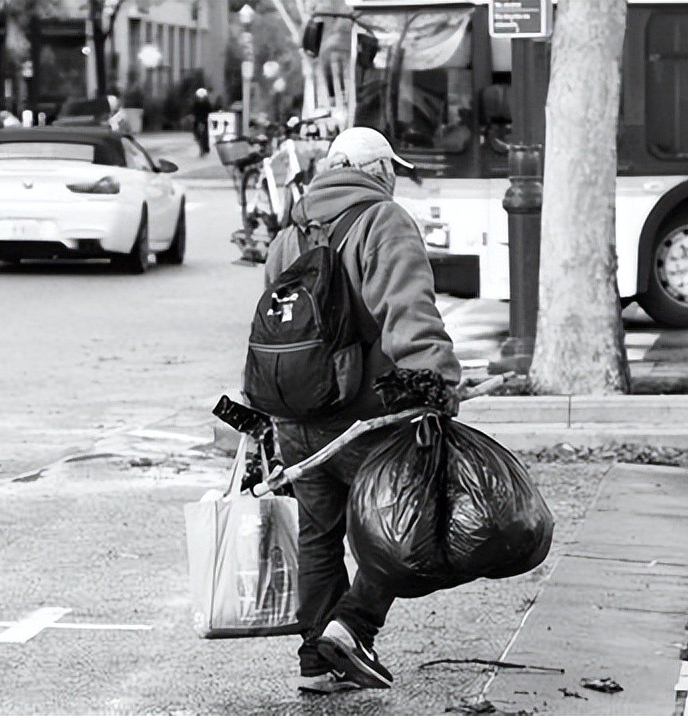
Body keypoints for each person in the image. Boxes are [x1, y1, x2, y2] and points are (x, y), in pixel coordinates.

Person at [260, 127, 461, 693]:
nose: (394, 179)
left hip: (296, 411)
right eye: (391, 169)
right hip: (363, 414)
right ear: (378, 171)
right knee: (404, 526)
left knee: (320, 534)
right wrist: (436, 381)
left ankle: (318, 665)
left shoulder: (291, 231)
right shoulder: (383, 220)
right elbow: (408, 307)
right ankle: (351, 628)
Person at [191, 87, 212, 156]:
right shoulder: (206, 103)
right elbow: (210, 110)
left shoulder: (196, 104)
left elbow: (194, 112)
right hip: (203, 120)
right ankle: (205, 148)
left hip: (199, 121)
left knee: (199, 135)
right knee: (203, 135)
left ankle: (203, 148)